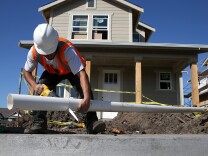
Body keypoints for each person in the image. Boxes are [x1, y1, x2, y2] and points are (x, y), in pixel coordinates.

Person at [23, 23, 106, 134]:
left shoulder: (67, 50)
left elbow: (82, 74)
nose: (48, 56)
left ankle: (91, 123)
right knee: (41, 87)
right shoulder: (34, 52)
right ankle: (39, 123)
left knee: (84, 90)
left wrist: (86, 99)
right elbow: (26, 72)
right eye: (45, 54)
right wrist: (35, 86)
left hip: (71, 71)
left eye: (50, 52)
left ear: (55, 44)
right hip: (51, 72)